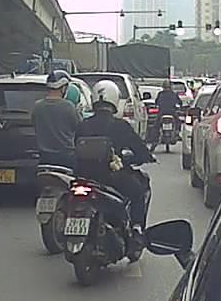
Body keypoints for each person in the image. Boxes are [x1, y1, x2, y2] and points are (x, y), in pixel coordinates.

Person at [75, 97, 154, 233]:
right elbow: (140, 150)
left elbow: (73, 148)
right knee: (139, 192)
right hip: (112, 177)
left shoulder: (83, 125)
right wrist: (143, 157)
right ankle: (137, 228)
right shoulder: (120, 125)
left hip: (83, 176)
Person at [32, 71, 81, 169]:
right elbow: (79, 128)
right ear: (63, 88)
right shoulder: (69, 107)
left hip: (44, 158)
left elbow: (34, 124)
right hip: (66, 158)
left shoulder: (37, 107)